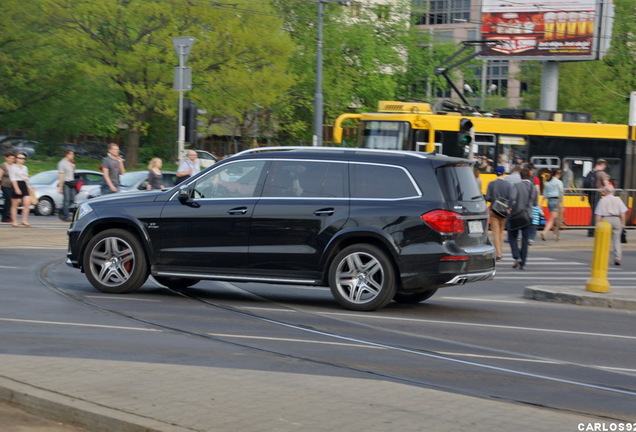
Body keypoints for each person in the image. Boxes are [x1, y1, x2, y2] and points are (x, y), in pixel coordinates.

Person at [507, 168, 537, 270]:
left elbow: (512, 198)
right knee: (525, 240)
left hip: (517, 215)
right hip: (528, 216)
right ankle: (523, 263)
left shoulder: (517, 185)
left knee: (512, 236)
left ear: (520, 175)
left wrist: (510, 207)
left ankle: (517, 256)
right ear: (529, 175)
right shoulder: (533, 187)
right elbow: (535, 202)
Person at [485, 165, 515, 262]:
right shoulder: (509, 185)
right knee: (502, 231)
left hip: (494, 210)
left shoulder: (491, 184)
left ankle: (498, 254)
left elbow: (488, 198)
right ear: (504, 173)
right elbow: (511, 198)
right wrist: (509, 208)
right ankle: (500, 252)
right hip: (504, 211)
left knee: (495, 232)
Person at [594, 184, 628, 266]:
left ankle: (604, 258)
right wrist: (623, 224)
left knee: (605, 241)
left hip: (606, 220)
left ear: (605, 192)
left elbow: (598, 215)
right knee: (616, 240)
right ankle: (617, 258)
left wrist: (597, 226)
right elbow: (623, 214)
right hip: (616, 220)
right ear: (613, 191)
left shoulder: (603, 200)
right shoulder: (618, 200)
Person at [586, 159, 609, 237]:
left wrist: (582, 195)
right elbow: (607, 185)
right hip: (596, 194)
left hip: (589, 195)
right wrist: (610, 193)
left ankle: (592, 230)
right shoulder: (602, 173)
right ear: (603, 165)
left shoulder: (591, 172)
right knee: (597, 213)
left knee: (595, 212)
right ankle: (592, 231)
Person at [8, 152, 32, 227]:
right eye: (20, 158)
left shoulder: (25, 167)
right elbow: (13, 179)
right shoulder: (13, 167)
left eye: (23, 158)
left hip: (23, 184)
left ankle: (24, 220)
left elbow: (26, 177)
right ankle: (14, 221)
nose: (22, 160)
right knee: (15, 204)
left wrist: (27, 183)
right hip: (16, 184)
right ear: (16, 159)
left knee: (27, 203)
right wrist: (16, 188)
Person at [541, 168, 564, 241]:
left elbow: (544, 194)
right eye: (560, 174)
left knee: (555, 218)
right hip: (556, 201)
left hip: (549, 201)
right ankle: (544, 232)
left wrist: (541, 204)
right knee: (552, 219)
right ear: (557, 174)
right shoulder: (559, 182)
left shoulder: (547, 182)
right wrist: (562, 204)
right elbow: (561, 193)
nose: (560, 175)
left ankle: (555, 235)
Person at [57, 149, 76, 222]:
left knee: (72, 200)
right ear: (67, 155)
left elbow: (73, 174)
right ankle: (66, 216)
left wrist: (73, 167)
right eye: (72, 154)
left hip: (72, 182)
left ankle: (61, 210)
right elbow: (61, 175)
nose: (73, 156)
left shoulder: (71, 162)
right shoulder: (62, 163)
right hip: (66, 183)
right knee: (66, 200)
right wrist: (60, 187)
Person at [0, 152, 16, 223]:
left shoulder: (14, 166)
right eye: (10, 158)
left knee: (11, 201)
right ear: (6, 158)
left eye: (13, 158)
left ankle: (8, 215)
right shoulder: (3, 166)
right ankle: (5, 217)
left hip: (12, 185)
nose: (11, 159)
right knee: (8, 199)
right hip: (5, 185)